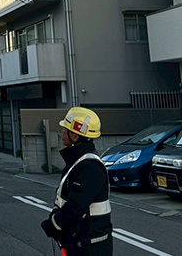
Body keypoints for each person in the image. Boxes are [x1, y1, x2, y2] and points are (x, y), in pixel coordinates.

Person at [40, 107, 112, 256]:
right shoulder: (80, 162)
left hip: (89, 247)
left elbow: (76, 206)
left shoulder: (89, 167)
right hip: (82, 242)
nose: (62, 132)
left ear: (74, 135)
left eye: (65, 129)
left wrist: (53, 225)